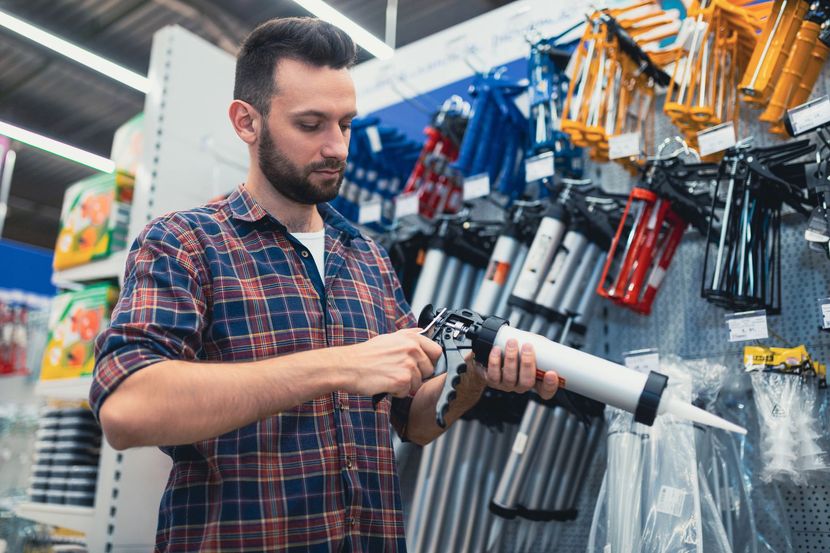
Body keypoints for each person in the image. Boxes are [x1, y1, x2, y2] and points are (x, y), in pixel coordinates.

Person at [91, 17, 560, 553]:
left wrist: (473, 377)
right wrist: (340, 365)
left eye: (346, 124)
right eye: (311, 124)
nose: (337, 147)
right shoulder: (185, 242)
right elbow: (126, 408)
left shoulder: (368, 257)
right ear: (247, 122)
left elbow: (413, 421)